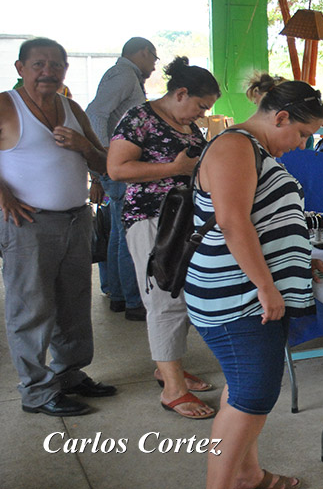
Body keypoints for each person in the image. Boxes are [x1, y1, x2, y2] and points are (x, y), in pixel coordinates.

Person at [184, 81, 323, 489]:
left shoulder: (253, 148)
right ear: (281, 117)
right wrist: (266, 286)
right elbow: (233, 222)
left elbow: (262, 219)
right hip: (238, 298)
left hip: (245, 291)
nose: (302, 145)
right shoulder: (235, 146)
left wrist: (298, 257)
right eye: (302, 134)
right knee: (252, 397)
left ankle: (248, 475)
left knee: (243, 388)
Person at [0, 37, 115, 417]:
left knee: (74, 303)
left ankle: (69, 374)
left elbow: (103, 162)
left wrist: (83, 145)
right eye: (39, 64)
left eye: (56, 64)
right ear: (21, 68)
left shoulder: (71, 108)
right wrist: (4, 197)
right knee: (31, 308)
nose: (48, 71)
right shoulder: (6, 105)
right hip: (28, 224)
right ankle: (36, 391)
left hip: (75, 219)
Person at [107, 57, 219, 419]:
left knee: (183, 294)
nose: (202, 114)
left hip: (185, 220)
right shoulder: (139, 118)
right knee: (163, 298)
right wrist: (174, 168)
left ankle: (168, 368)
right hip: (151, 219)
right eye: (200, 105)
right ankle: (172, 390)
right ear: (181, 93)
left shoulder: (185, 125)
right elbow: (117, 169)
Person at [86, 37, 158, 321]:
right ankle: (133, 299)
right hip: (122, 166)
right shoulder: (124, 75)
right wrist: (105, 154)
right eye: (153, 59)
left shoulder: (123, 75)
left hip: (119, 165)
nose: (154, 66)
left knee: (119, 232)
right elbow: (95, 113)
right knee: (131, 233)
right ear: (144, 52)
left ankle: (119, 294)